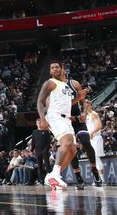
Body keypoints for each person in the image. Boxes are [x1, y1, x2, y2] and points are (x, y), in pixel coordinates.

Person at [37, 60, 86, 190]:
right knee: (67, 141)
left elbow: (68, 103)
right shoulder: (50, 83)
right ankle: (54, 173)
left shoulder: (64, 85)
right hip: (55, 116)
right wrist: (42, 119)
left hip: (66, 119)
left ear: (62, 69)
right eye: (52, 68)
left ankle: (54, 175)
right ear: (50, 71)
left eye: (57, 67)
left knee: (73, 149)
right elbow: (40, 101)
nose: (55, 69)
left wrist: (80, 98)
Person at [84, 100, 105, 184]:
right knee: (93, 159)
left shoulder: (93, 114)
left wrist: (91, 133)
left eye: (86, 104)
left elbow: (99, 126)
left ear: (90, 105)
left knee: (96, 158)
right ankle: (98, 178)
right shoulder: (87, 116)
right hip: (91, 138)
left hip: (96, 137)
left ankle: (102, 180)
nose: (85, 105)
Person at [31, 118, 52, 185]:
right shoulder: (34, 132)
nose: (39, 124)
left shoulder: (46, 131)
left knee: (47, 165)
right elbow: (33, 142)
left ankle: (51, 180)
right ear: (36, 124)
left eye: (40, 122)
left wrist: (46, 150)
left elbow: (48, 142)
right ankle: (42, 180)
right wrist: (31, 150)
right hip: (38, 151)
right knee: (40, 166)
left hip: (45, 151)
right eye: (38, 122)